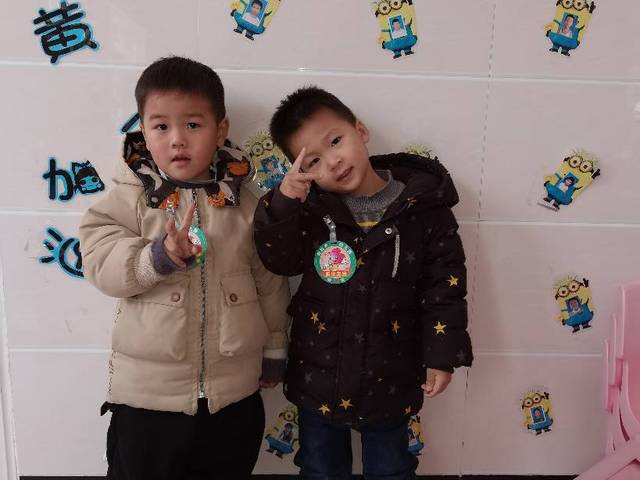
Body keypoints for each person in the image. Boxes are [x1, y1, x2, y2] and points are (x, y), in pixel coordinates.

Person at [79, 56, 290, 480]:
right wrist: (155, 258)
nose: (177, 140)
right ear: (143, 130)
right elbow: (99, 258)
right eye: (161, 126)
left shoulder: (247, 205)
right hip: (148, 402)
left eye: (193, 124)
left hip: (232, 397)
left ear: (221, 129)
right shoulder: (132, 197)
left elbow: (270, 284)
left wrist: (274, 349)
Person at [254, 86, 473, 479]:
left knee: (392, 469)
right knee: (320, 469)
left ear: (360, 130)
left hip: (391, 374)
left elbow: (445, 288)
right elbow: (280, 260)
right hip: (318, 376)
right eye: (314, 161)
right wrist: (284, 201)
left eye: (336, 141)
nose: (333, 161)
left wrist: (441, 354)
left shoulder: (424, 208)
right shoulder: (311, 210)